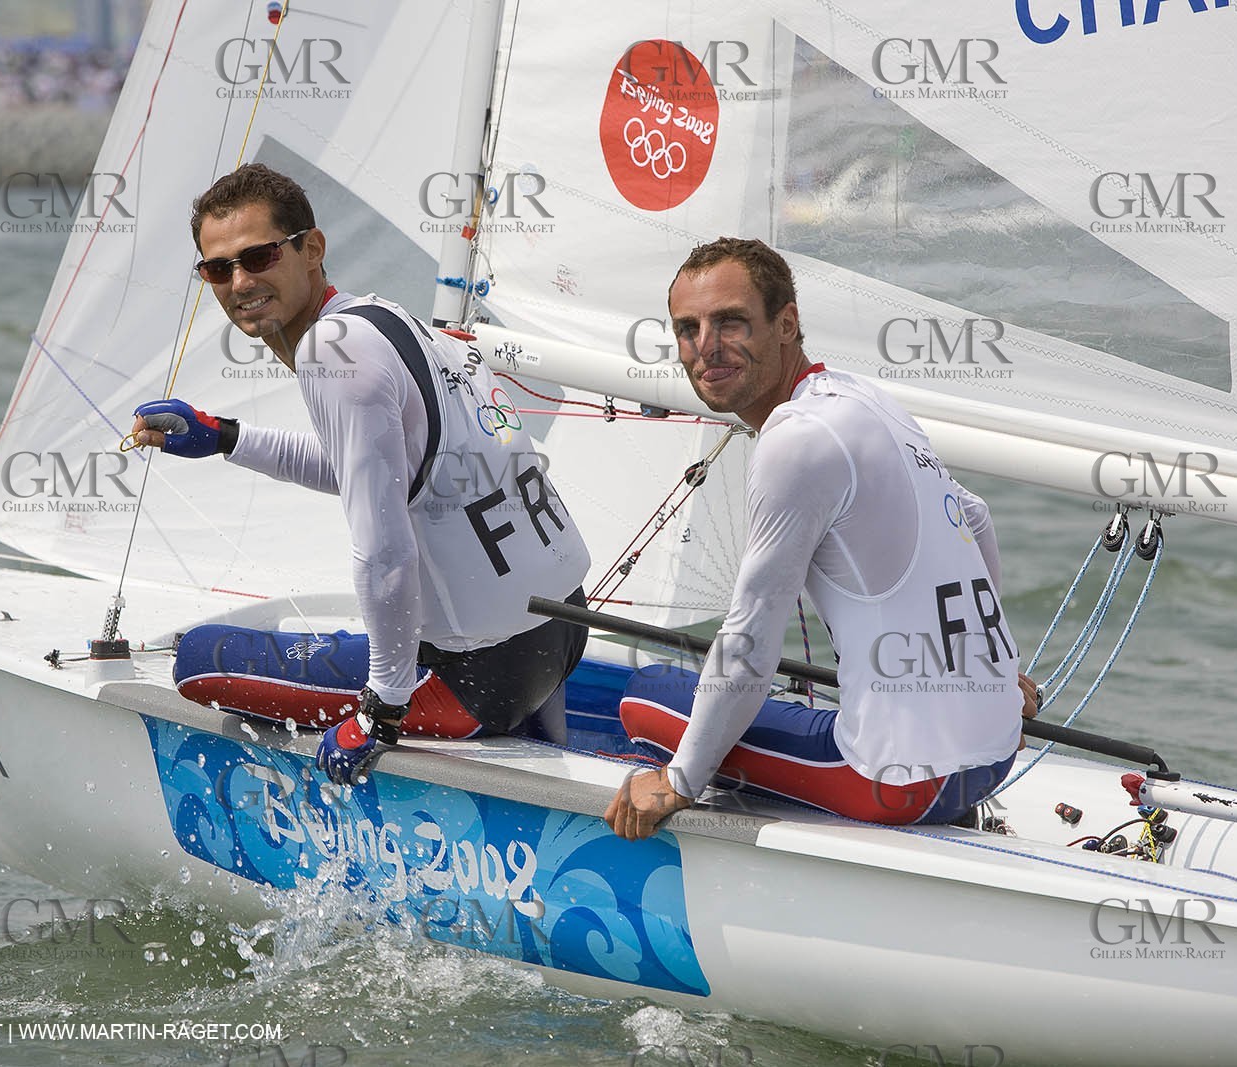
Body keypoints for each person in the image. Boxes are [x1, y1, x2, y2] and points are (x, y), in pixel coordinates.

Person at [132, 164, 590, 784]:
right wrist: (225, 438)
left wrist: (382, 709)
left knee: (197, 659)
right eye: (217, 268)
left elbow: (384, 552)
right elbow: (378, 473)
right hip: (561, 635)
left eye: (260, 256)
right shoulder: (380, 319)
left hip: (473, 678)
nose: (240, 282)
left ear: (311, 249)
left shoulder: (331, 355)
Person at [605, 237, 1037, 839]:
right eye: (687, 328)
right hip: (994, 751)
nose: (706, 346)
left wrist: (680, 782)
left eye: (731, 322)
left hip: (897, 781)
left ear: (787, 324)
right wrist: (997, 669)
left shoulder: (796, 438)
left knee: (644, 696)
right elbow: (976, 516)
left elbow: (750, 637)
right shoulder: (864, 397)